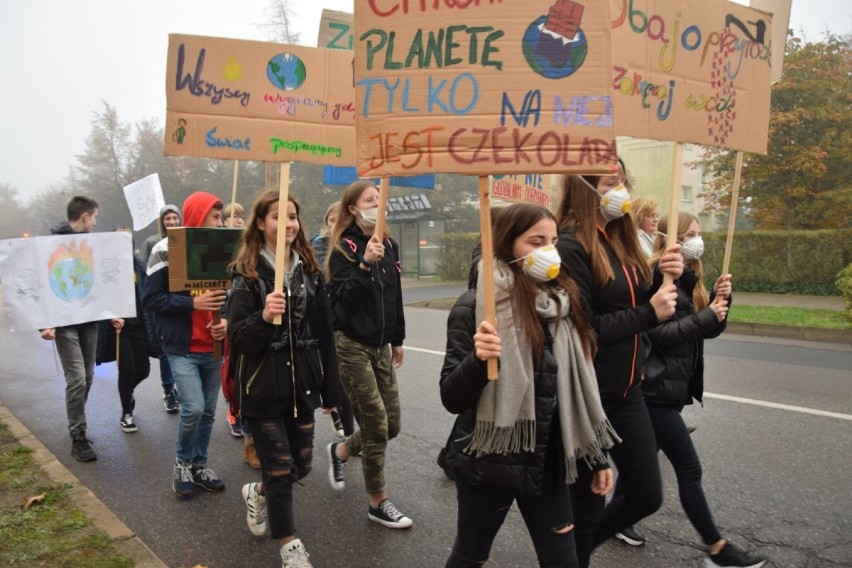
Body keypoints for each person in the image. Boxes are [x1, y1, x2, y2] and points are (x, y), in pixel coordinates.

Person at [439, 204, 618, 567]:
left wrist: (597, 457)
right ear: (507, 245)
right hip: (490, 459)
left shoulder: (564, 305)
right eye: (536, 241)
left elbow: (579, 394)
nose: (549, 251)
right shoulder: (475, 307)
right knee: (469, 557)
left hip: (549, 462)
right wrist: (479, 360)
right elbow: (451, 396)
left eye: (552, 241)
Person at [555, 160, 683, 568]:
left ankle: (580, 551)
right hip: (589, 396)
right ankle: (575, 555)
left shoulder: (620, 238)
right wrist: (649, 313)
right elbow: (583, 327)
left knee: (646, 494)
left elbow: (640, 300)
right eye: (611, 183)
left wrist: (671, 277)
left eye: (624, 181)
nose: (621, 190)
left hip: (629, 392)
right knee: (587, 502)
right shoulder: (570, 244)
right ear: (585, 188)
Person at [635, 213, 767, 568]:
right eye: (690, 234)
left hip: (672, 390)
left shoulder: (691, 278)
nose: (698, 239)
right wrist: (707, 315)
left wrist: (721, 302)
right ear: (672, 238)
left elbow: (705, 332)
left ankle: (617, 519)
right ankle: (717, 548)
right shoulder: (657, 276)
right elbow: (659, 334)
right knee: (689, 470)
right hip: (654, 392)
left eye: (698, 233)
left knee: (640, 472)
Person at [228, 191, 342, 568]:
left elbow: (325, 332)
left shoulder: (309, 270)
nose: (289, 224)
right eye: (279, 217)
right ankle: (290, 546)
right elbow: (240, 341)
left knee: (300, 466)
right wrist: (263, 315)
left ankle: (257, 492)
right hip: (262, 388)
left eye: (293, 216)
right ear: (261, 223)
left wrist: (331, 388)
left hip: (303, 385)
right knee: (278, 469)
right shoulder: (246, 275)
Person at [325, 180, 411, 529]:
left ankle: (341, 451)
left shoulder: (389, 244)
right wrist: (363, 265)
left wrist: (398, 337)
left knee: (392, 425)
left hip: (380, 346)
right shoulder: (342, 250)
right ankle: (378, 501)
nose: (377, 204)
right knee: (376, 425)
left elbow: (394, 295)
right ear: (353, 209)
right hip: (351, 345)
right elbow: (340, 306)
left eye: (380, 199)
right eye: (370, 199)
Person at [142, 191, 228, 497]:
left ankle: (199, 465)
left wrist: (226, 320)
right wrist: (194, 303)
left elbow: (231, 293)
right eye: (216, 216)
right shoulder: (165, 250)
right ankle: (181, 464)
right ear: (198, 215)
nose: (221, 222)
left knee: (208, 413)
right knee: (192, 408)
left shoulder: (223, 248)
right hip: (181, 346)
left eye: (221, 217)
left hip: (213, 347)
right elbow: (151, 298)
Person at [39, 196, 106, 462]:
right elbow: (42, 285)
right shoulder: (51, 245)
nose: (96, 222)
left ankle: (77, 421)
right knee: (77, 378)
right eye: (95, 217)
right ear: (85, 216)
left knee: (88, 377)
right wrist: (43, 323)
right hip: (64, 321)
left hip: (88, 319)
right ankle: (78, 435)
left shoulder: (92, 245)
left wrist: (112, 312)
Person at [96, 228, 151, 433]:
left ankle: (127, 393)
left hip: (140, 326)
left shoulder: (138, 265)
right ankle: (126, 413)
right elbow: (99, 296)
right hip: (120, 328)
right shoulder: (106, 265)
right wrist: (111, 316)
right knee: (127, 370)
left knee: (143, 370)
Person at [311, 200, 353, 439]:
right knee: (333, 372)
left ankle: (343, 418)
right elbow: (325, 275)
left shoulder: (353, 245)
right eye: (332, 219)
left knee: (344, 375)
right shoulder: (321, 244)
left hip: (348, 316)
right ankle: (340, 417)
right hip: (326, 315)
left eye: (342, 219)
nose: (337, 224)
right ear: (327, 221)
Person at [140, 204, 182, 414]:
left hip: (182, 301)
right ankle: (168, 390)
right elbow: (149, 277)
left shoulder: (185, 240)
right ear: (162, 221)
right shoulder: (152, 243)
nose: (172, 222)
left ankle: (181, 387)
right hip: (163, 303)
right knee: (166, 350)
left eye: (175, 218)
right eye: (168, 219)